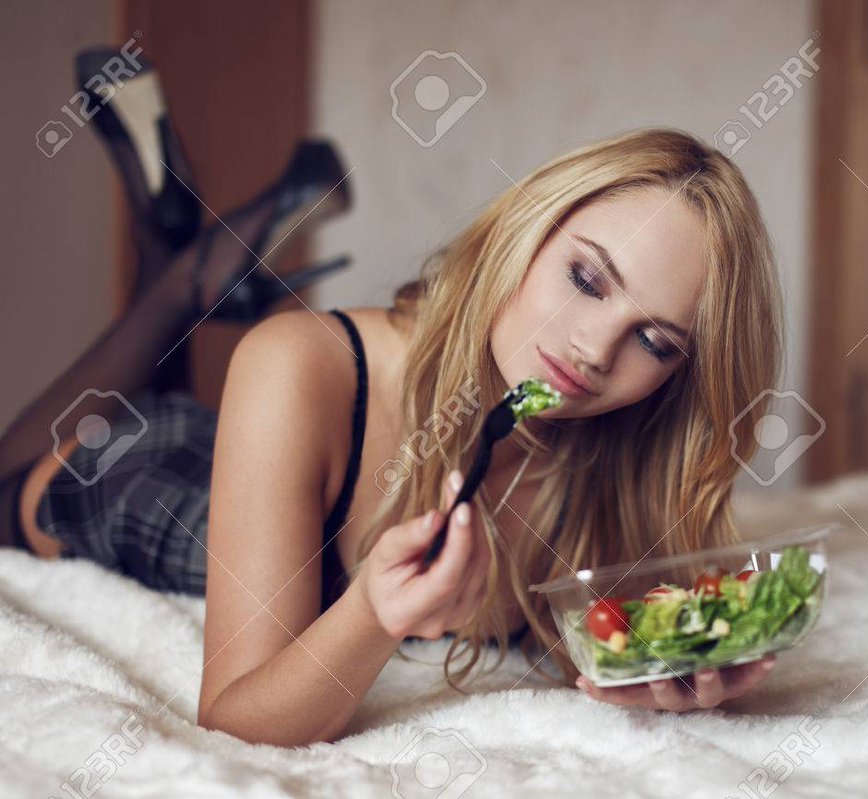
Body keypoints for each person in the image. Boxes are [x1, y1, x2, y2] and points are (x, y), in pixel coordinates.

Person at [0, 53, 787, 746]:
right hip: (142, 474)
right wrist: (375, 615)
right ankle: (180, 283)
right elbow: (234, 722)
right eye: (584, 279)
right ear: (527, 232)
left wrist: (663, 675)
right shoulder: (300, 360)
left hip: (272, 453)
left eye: (654, 342)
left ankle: (185, 250)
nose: (592, 348)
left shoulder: (624, 465)